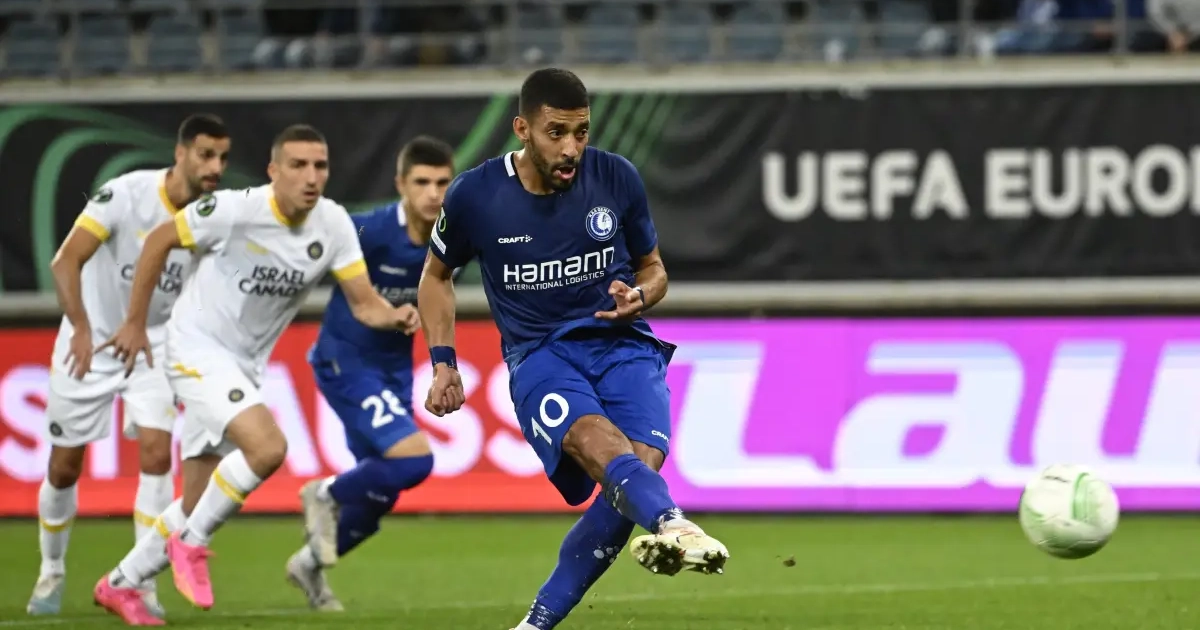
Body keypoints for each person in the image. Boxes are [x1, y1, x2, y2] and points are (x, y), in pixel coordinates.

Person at [417, 68, 729, 630]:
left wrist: (640, 295)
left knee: (633, 473)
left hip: (623, 345)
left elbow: (654, 269)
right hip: (540, 355)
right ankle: (676, 524)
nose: (571, 149)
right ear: (522, 130)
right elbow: (436, 277)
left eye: (581, 132)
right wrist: (444, 363)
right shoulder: (476, 195)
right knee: (597, 444)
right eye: (556, 132)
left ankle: (534, 625)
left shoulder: (616, 177)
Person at [91, 124, 416, 626]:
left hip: (243, 365)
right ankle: (191, 545)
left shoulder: (332, 224)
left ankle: (119, 583)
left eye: (320, 166)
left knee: (196, 500)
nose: (311, 176)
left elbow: (365, 303)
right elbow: (158, 239)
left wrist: (395, 315)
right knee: (267, 448)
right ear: (273, 171)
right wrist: (135, 323)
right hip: (194, 347)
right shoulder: (235, 210)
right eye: (298, 165)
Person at [28, 114, 231, 620]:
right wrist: (79, 326)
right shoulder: (126, 194)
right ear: (180, 154)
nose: (215, 167)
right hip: (92, 341)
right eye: (206, 155)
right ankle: (51, 569)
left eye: (223, 158)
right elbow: (65, 261)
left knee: (158, 454)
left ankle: (140, 582)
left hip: (153, 347)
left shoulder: (213, 218)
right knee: (64, 465)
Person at [286, 136, 456, 610]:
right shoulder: (368, 230)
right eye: (421, 182)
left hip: (393, 371)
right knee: (415, 461)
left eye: (442, 182)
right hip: (347, 360)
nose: (433, 193)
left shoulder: (453, 238)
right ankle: (324, 493)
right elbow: (310, 254)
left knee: (381, 493)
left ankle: (308, 565)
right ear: (401, 184)